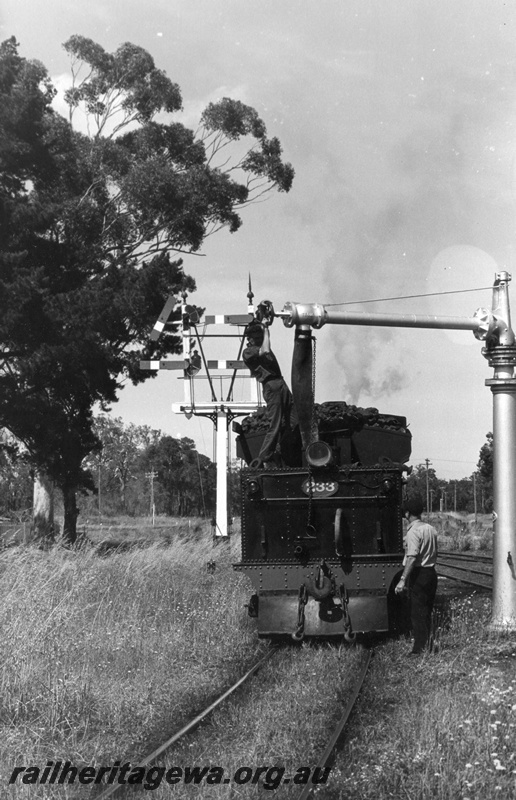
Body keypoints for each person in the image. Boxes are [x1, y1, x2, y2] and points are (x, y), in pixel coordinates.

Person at [242, 315, 295, 467]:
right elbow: (265, 350)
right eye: (255, 336)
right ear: (250, 339)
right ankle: (264, 456)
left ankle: (284, 451)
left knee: (293, 421)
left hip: (281, 383)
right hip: (271, 386)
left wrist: (265, 327)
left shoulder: (262, 346)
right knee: (276, 423)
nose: (258, 338)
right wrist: (265, 328)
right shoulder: (249, 352)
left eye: (260, 336)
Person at [395, 494, 438, 655]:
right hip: (431, 573)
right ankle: (429, 644)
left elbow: (412, 557)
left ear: (407, 514)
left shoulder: (413, 532)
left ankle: (419, 650)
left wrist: (402, 579)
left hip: (419, 574)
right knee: (427, 611)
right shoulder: (430, 529)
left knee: (417, 613)